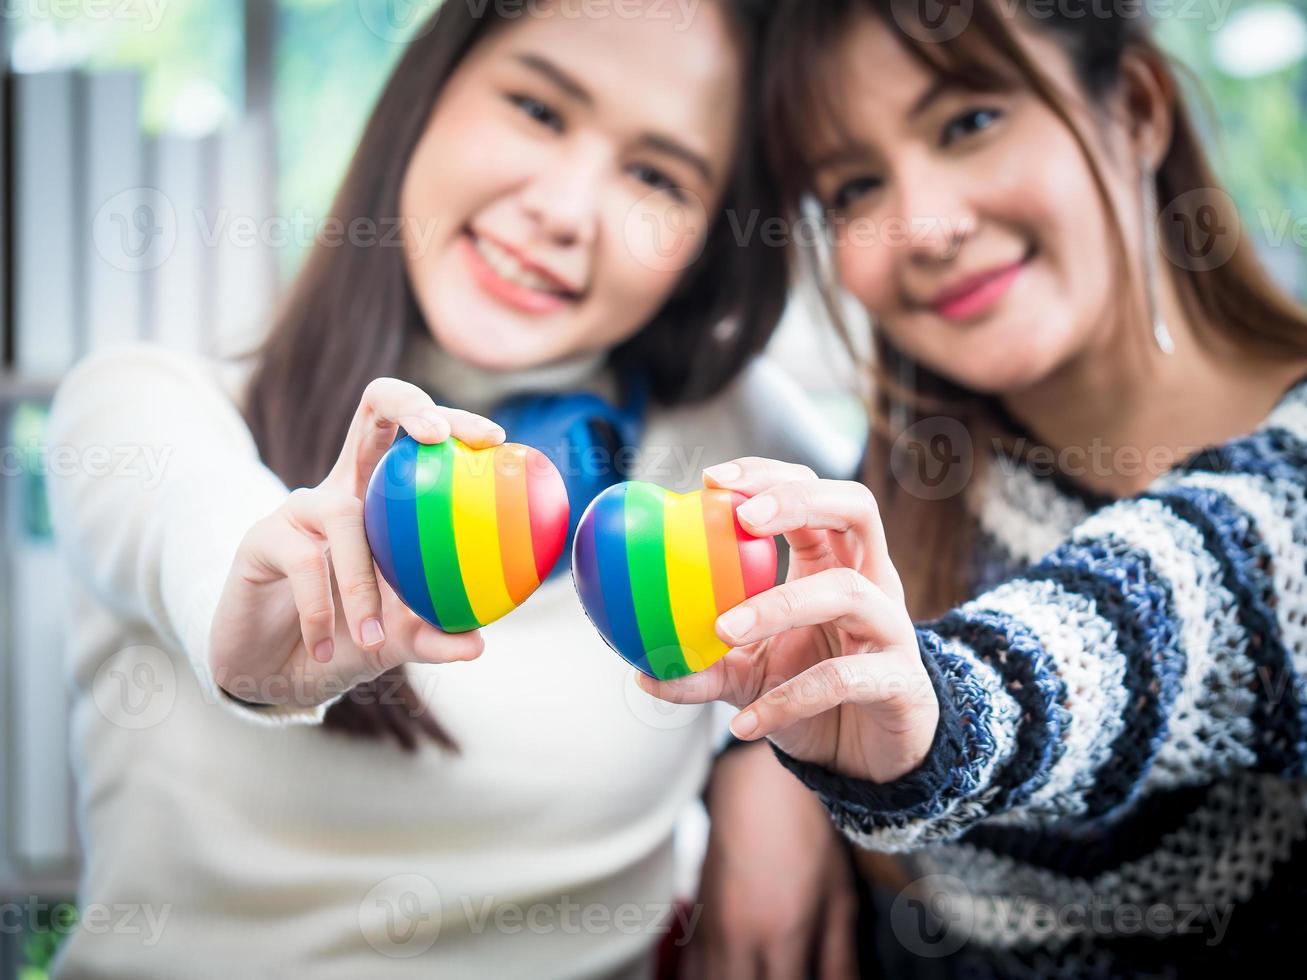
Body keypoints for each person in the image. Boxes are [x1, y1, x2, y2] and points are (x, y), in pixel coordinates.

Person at [43, 2, 853, 976]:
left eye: (654, 175)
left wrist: (778, 773)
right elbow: (191, 520)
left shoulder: (726, 433)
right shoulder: (142, 405)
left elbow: (880, 583)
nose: (563, 208)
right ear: (424, 97)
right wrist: (255, 610)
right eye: (538, 109)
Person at [644, 1, 1307, 975]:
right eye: (856, 185)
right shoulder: (885, 503)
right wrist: (756, 762)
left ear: (1131, 106)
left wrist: (936, 711)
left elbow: (1194, 588)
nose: (927, 227)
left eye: (968, 122)